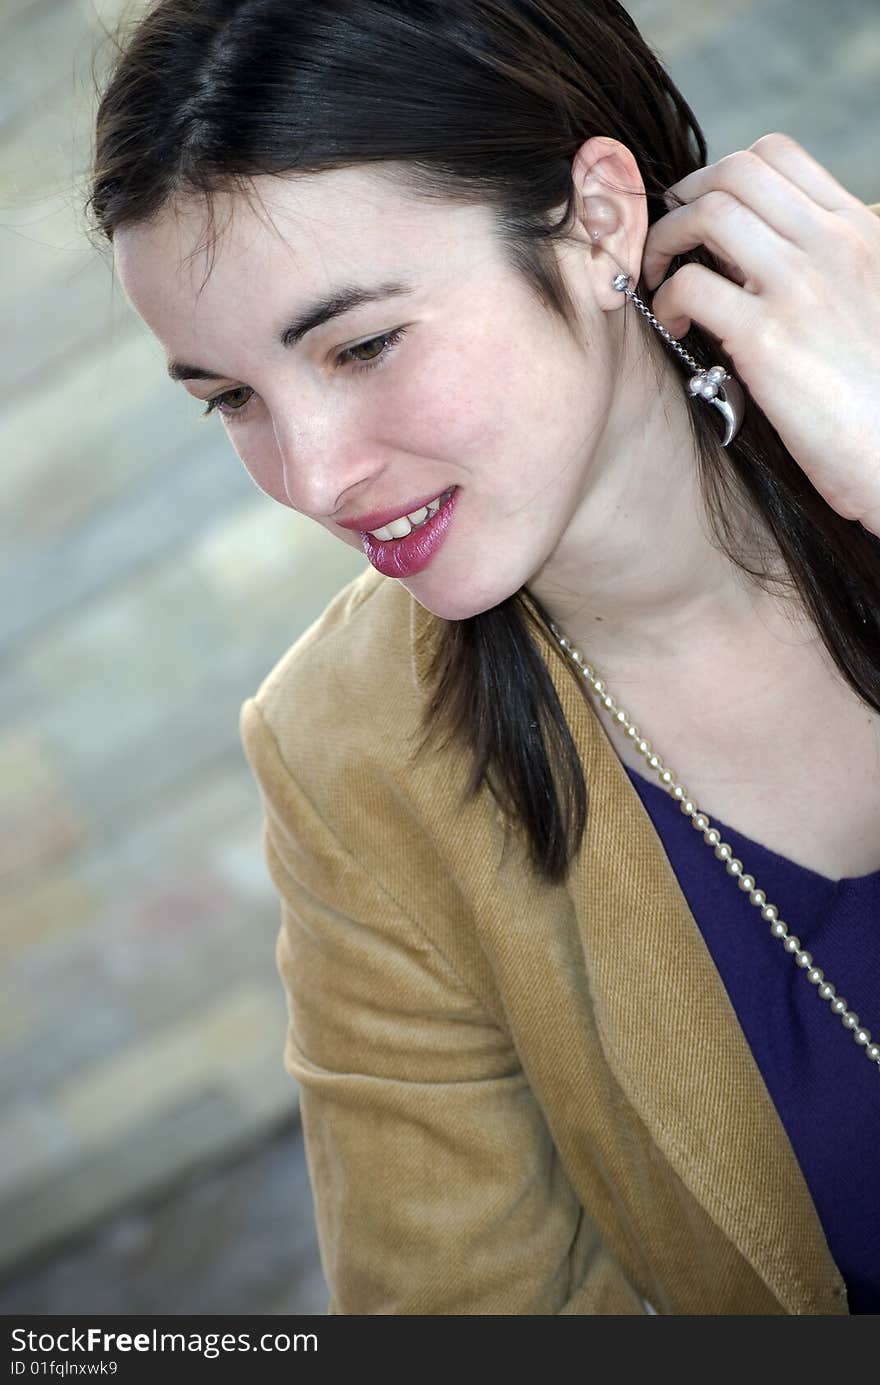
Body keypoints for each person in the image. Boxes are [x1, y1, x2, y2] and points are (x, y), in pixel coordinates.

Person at [86, 0, 880, 1314]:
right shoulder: (353, 752)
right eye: (231, 400)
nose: (313, 475)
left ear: (599, 223)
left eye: (361, 344)